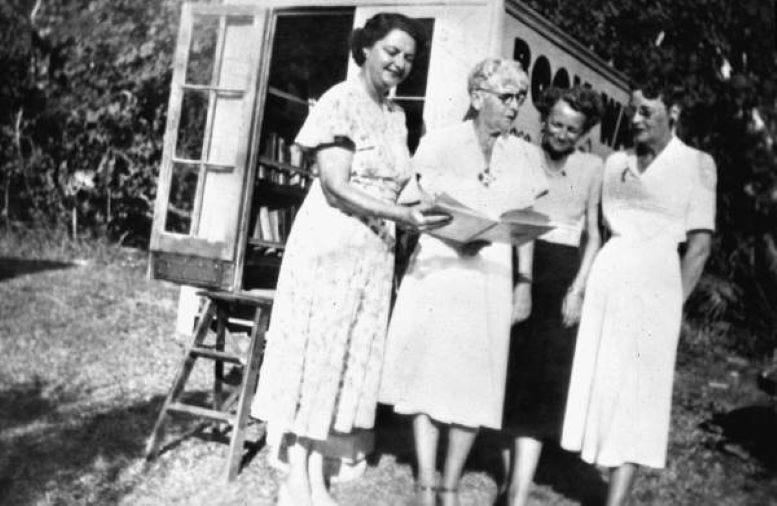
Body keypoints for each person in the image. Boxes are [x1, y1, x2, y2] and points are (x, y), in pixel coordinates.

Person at [250, 13, 450, 506]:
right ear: (365, 49)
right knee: (317, 353)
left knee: (342, 360)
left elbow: (402, 183)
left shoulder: (396, 116)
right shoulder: (339, 101)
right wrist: (401, 215)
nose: (399, 64)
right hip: (332, 244)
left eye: (408, 57)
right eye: (391, 52)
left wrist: (442, 208)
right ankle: (295, 473)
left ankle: (318, 469)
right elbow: (336, 186)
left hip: (373, 253)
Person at [379, 58, 547, 506]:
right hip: (440, 267)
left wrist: (524, 282)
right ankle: (425, 482)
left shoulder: (523, 155)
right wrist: (450, 225)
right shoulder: (440, 143)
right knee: (427, 373)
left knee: (475, 380)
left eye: (519, 98)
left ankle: (451, 485)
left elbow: (526, 223)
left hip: (490, 272)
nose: (514, 107)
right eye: (506, 97)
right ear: (477, 97)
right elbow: (412, 205)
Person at [560, 81, 716, 506]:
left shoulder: (698, 164)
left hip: (656, 289)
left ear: (675, 111)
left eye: (646, 111)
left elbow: (699, 248)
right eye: (632, 110)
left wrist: (670, 308)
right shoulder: (615, 163)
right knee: (605, 383)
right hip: (609, 283)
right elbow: (597, 230)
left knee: (639, 394)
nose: (635, 119)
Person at [500, 86, 604, 506]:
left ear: (584, 133)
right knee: (510, 379)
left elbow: (594, 235)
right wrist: (520, 282)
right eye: (556, 124)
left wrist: (578, 289)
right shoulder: (524, 155)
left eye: (571, 130)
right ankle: (510, 482)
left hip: (561, 276)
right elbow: (516, 216)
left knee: (541, 387)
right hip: (520, 266)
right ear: (544, 119)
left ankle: (519, 494)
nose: (561, 134)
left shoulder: (592, 168)